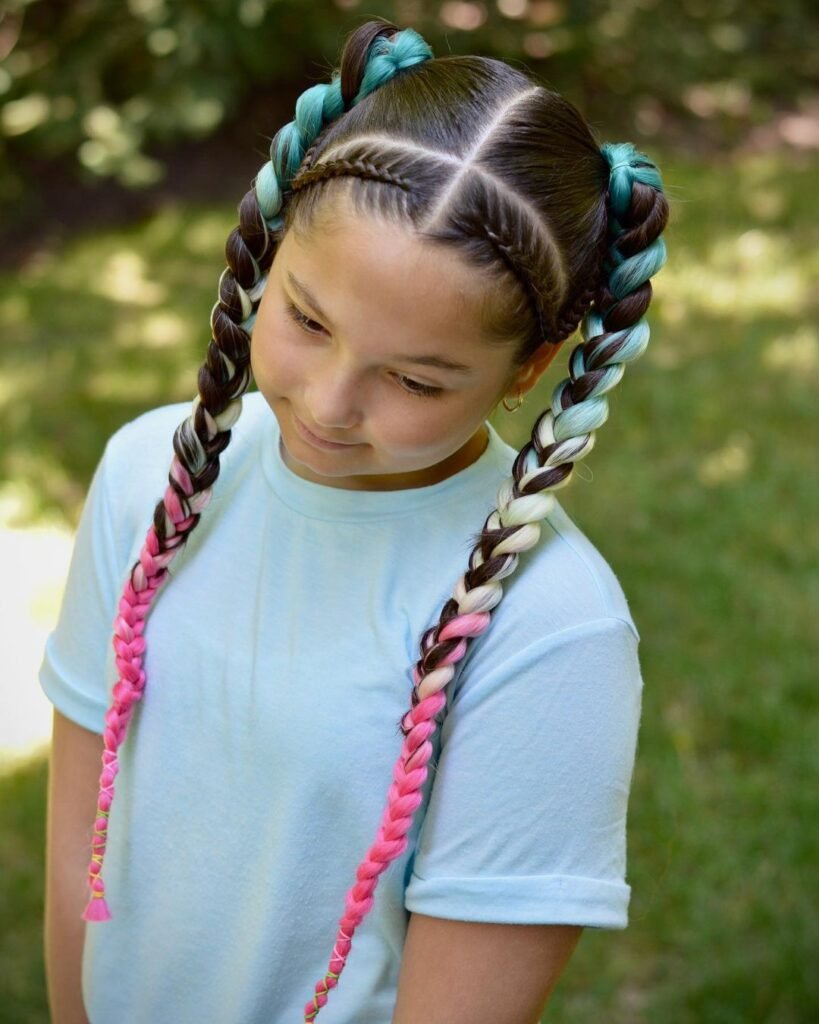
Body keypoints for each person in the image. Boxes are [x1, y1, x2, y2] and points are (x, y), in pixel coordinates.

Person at [40, 16, 669, 1024]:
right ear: (273, 242)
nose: (330, 403)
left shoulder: (550, 634)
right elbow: (80, 847)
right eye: (307, 320)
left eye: (417, 378)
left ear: (528, 371)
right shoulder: (148, 478)